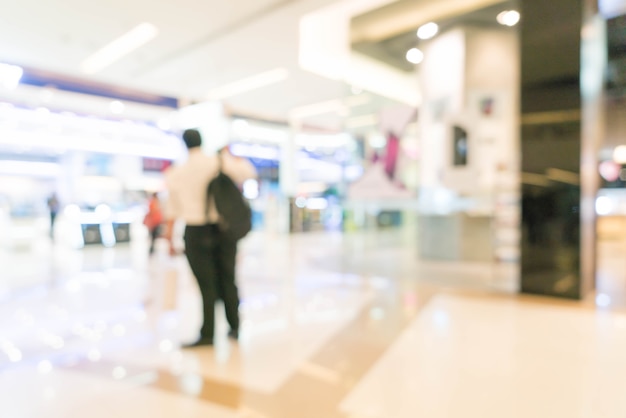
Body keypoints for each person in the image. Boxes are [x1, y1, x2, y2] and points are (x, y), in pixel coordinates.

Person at [163, 129, 256, 348]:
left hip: (195, 232)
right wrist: (230, 157)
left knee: (206, 285)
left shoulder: (177, 172)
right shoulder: (217, 161)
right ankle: (234, 328)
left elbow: (172, 211)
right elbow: (248, 173)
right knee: (228, 279)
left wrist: (169, 239)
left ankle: (207, 334)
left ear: (184, 144)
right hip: (223, 229)